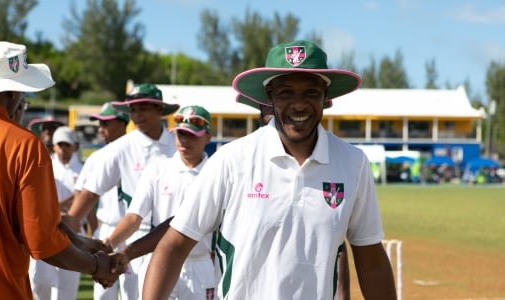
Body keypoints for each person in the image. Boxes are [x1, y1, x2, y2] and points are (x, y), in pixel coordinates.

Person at [142, 40, 397, 299]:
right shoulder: (231, 160)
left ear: (325, 97)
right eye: (286, 93)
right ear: (269, 97)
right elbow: (173, 246)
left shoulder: (353, 162)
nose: (299, 105)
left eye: (311, 92)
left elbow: (372, 262)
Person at [0, 41, 123, 299]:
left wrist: (86, 244)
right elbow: (43, 242)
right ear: (14, 94)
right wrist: (97, 265)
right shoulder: (22, 145)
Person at [67, 83, 180, 297]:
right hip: (135, 237)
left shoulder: (178, 145)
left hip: (176, 236)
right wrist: (71, 223)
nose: (136, 115)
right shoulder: (119, 149)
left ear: (159, 110)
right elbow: (91, 192)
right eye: (133, 110)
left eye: (143, 108)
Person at [239, 93, 351, 299]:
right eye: (266, 107)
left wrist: (343, 295)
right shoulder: (237, 159)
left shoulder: (348, 161)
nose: (297, 106)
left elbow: (337, 244)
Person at [106, 105, 216, 300]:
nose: (184, 140)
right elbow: (133, 218)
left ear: (208, 137)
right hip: (159, 261)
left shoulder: (216, 175)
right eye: (180, 133)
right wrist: (108, 245)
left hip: (200, 264)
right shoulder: (157, 170)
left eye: (192, 135)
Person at [73, 101, 135, 300]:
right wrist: (93, 230)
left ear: (122, 122)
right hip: (107, 229)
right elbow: (82, 195)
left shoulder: (138, 154)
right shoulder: (96, 157)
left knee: (134, 293)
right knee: (103, 295)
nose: (100, 128)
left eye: (106, 123)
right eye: (99, 123)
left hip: (136, 232)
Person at [29, 126, 84, 299]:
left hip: (73, 229)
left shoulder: (82, 169)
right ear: (54, 146)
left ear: (75, 146)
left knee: (67, 286)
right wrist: (60, 206)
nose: (63, 149)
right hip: (46, 229)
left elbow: (84, 199)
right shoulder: (45, 165)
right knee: (39, 281)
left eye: (67, 145)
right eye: (59, 145)